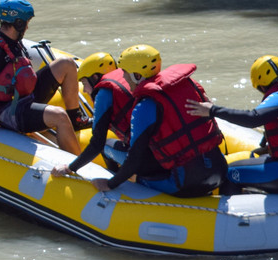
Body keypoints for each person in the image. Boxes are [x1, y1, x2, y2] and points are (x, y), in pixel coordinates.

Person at [185, 55, 278, 194]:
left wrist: (212, 110)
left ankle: (232, 221)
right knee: (252, 162)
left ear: (261, 86)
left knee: (229, 173)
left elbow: (252, 118)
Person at [90, 45, 226, 197]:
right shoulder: (188, 85)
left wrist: (110, 184)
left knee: (141, 177)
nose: (124, 78)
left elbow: (134, 159)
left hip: (184, 184)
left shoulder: (145, 106)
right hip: (220, 172)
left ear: (136, 75)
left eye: (125, 73)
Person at [0, 0, 87, 154]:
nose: (28, 27)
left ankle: (75, 121)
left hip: (25, 98)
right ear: (18, 23)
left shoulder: (15, 42)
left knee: (66, 64)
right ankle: (77, 166)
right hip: (8, 111)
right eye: (26, 22)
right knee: (59, 116)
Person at [52, 52, 134, 177]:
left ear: (95, 78)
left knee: (104, 146)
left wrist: (70, 168)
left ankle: (115, 179)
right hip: (160, 154)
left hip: (143, 160)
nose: (84, 90)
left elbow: (97, 144)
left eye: (84, 84)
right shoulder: (129, 82)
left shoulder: (103, 95)